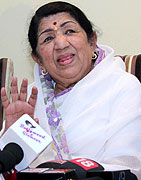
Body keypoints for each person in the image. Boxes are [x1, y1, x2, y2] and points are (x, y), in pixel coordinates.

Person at [1, 1, 141, 179]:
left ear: (92, 41)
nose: (61, 44)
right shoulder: (28, 99)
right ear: (37, 59)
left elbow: (128, 169)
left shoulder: (123, 88)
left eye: (70, 31)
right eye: (48, 38)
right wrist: (11, 138)